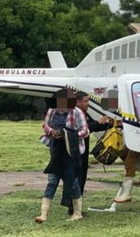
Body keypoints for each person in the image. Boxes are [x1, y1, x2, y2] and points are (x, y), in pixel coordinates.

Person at [34, 92, 90, 223]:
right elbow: (45, 125)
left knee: (73, 182)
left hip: (72, 153)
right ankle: (43, 215)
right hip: (56, 151)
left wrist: (69, 135)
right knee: (52, 180)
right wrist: (51, 131)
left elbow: (85, 131)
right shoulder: (52, 111)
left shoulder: (76, 112)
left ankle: (77, 213)